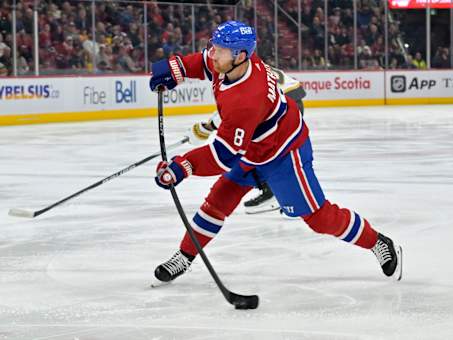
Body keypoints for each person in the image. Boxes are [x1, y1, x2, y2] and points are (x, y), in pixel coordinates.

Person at [149, 21, 403, 284]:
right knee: (217, 202)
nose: (213, 54)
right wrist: (173, 70)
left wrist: (183, 167)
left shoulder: (247, 98)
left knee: (319, 218)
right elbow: (202, 62)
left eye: (220, 50)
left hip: (283, 153)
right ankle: (185, 256)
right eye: (214, 47)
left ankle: (377, 241)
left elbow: (224, 155)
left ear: (241, 56)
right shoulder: (229, 64)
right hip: (251, 148)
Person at [186, 65, 306, 214]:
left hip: (282, 105)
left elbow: (239, 110)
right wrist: (208, 127)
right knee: (267, 151)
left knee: (251, 152)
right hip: (290, 101)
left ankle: (273, 192)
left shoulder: (237, 77)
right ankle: (285, 194)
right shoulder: (246, 67)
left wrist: (207, 128)